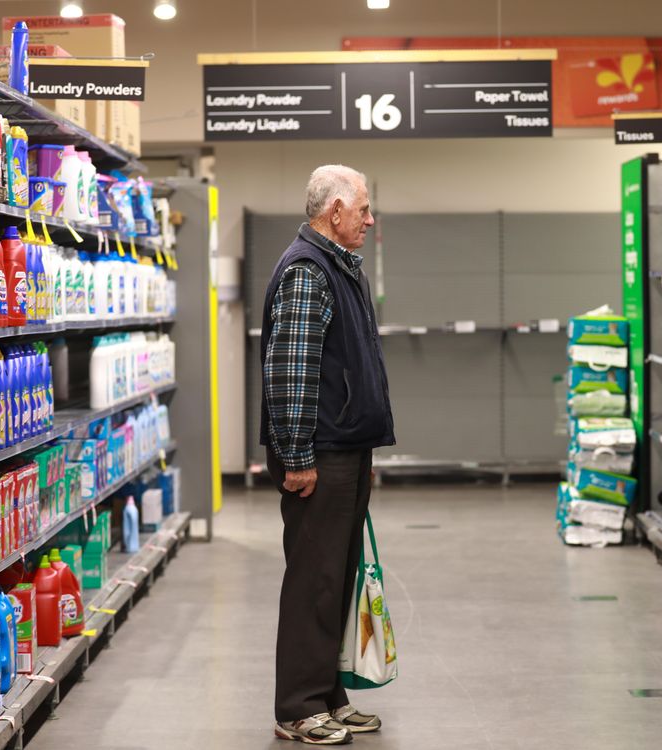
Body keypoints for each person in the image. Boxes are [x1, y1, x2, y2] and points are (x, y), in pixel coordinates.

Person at [261, 164, 396, 745]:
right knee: (314, 581)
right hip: (318, 455)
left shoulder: (337, 268)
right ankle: (296, 706)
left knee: (337, 579)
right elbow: (291, 375)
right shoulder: (307, 273)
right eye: (362, 209)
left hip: (345, 448)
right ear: (333, 211)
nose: (369, 219)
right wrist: (296, 457)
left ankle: (327, 696)